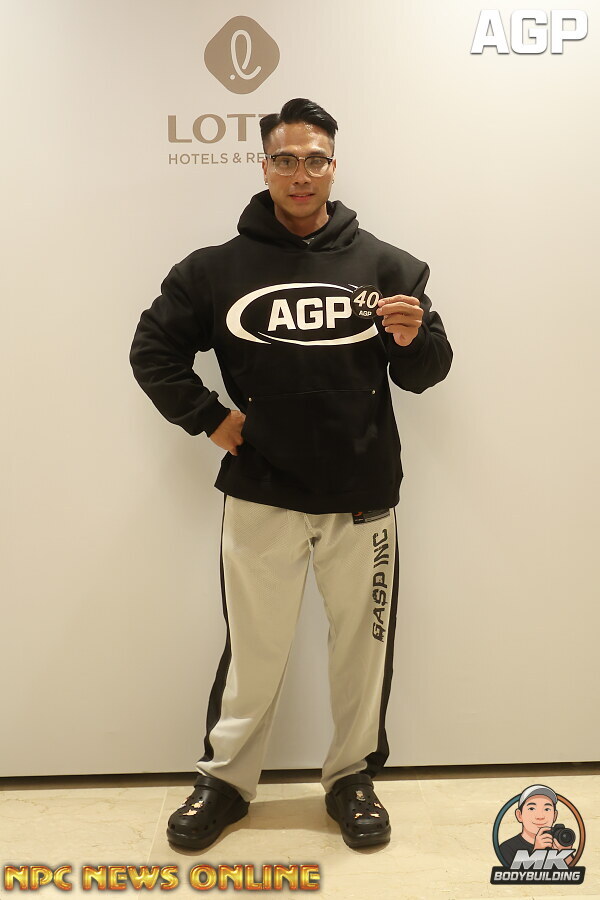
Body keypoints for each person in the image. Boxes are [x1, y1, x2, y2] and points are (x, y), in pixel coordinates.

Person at [129, 98, 453, 851]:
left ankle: (351, 778)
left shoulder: (389, 267)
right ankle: (225, 782)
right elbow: (153, 350)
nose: (300, 173)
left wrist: (412, 340)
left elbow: (427, 372)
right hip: (261, 491)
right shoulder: (214, 270)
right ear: (265, 165)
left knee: (362, 648)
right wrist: (210, 419)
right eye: (285, 159)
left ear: (334, 167)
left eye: (314, 160)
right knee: (255, 649)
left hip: (363, 497)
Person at [499, 785, 575, 866]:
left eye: (547, 809)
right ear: (519, 815)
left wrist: (565, 854)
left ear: (555, 816)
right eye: (532, 808)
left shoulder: (558, 843)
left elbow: (575, 872)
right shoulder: (507, 848)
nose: (540, 816)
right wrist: (537, 852)